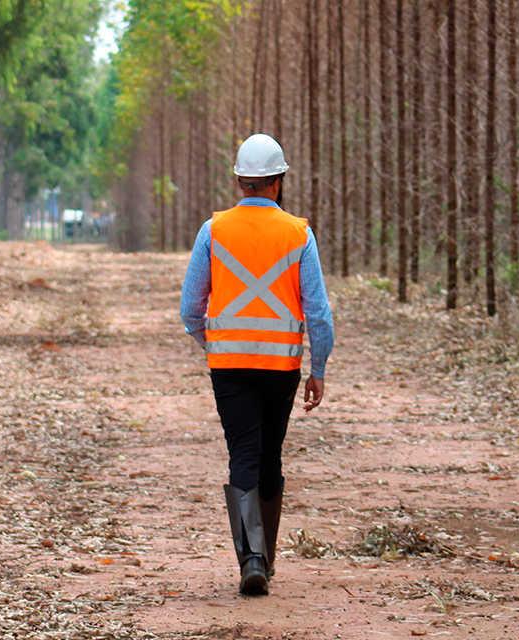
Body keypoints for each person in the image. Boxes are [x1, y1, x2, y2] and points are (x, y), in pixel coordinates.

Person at [180, 133, 334, 596]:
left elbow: (191, 307)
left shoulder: (214, 230)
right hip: (281, 369)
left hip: (229, 367)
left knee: (243, 453)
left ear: (241, 181)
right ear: (279, 181)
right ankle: (263, 559)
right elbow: (318, 312)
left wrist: (213, 343)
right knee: (270, 453)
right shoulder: (298, 233)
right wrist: (319, 368)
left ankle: (250, 558)